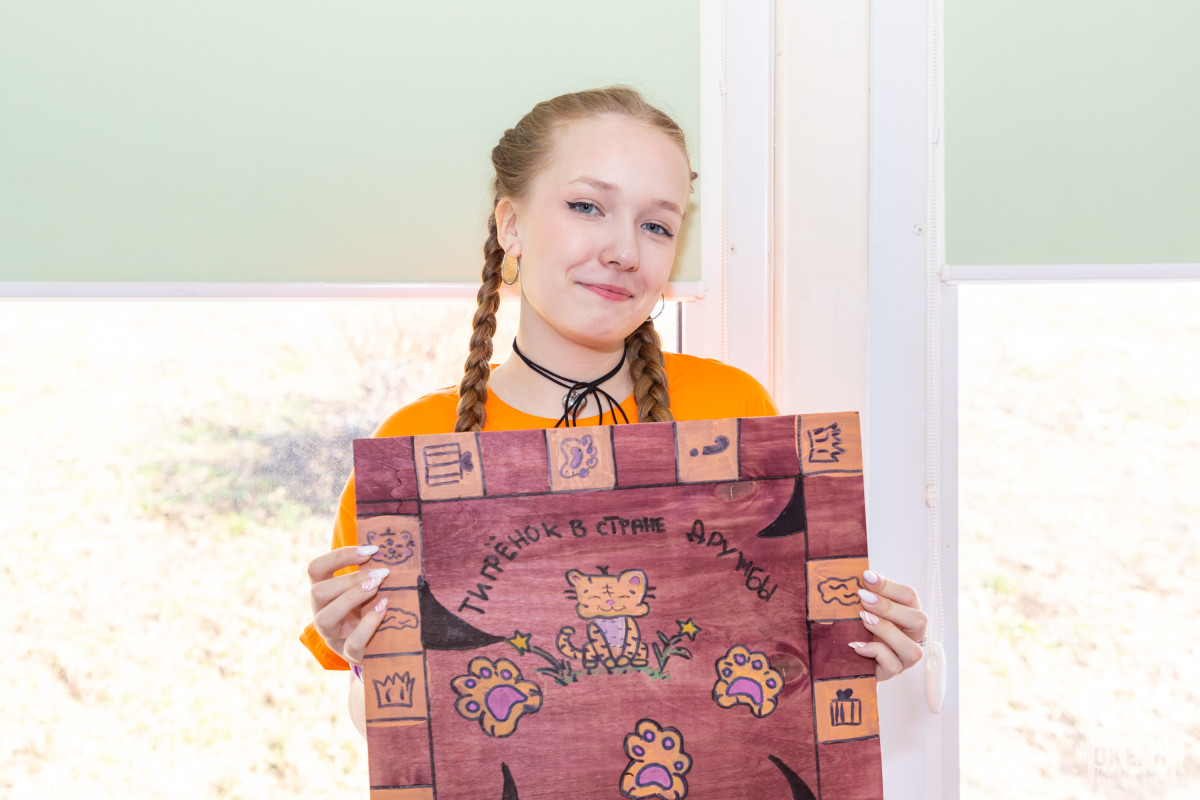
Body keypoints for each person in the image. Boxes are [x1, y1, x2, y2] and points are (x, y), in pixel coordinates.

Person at [302, 86, 928, 735]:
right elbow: (388, 735)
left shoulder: (734, 412)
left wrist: (852, 655)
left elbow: (767, 683)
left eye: (656, 225)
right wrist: (369, 660)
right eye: (587, 206)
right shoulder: (414, 446)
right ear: (511, 225)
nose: (625, 251)